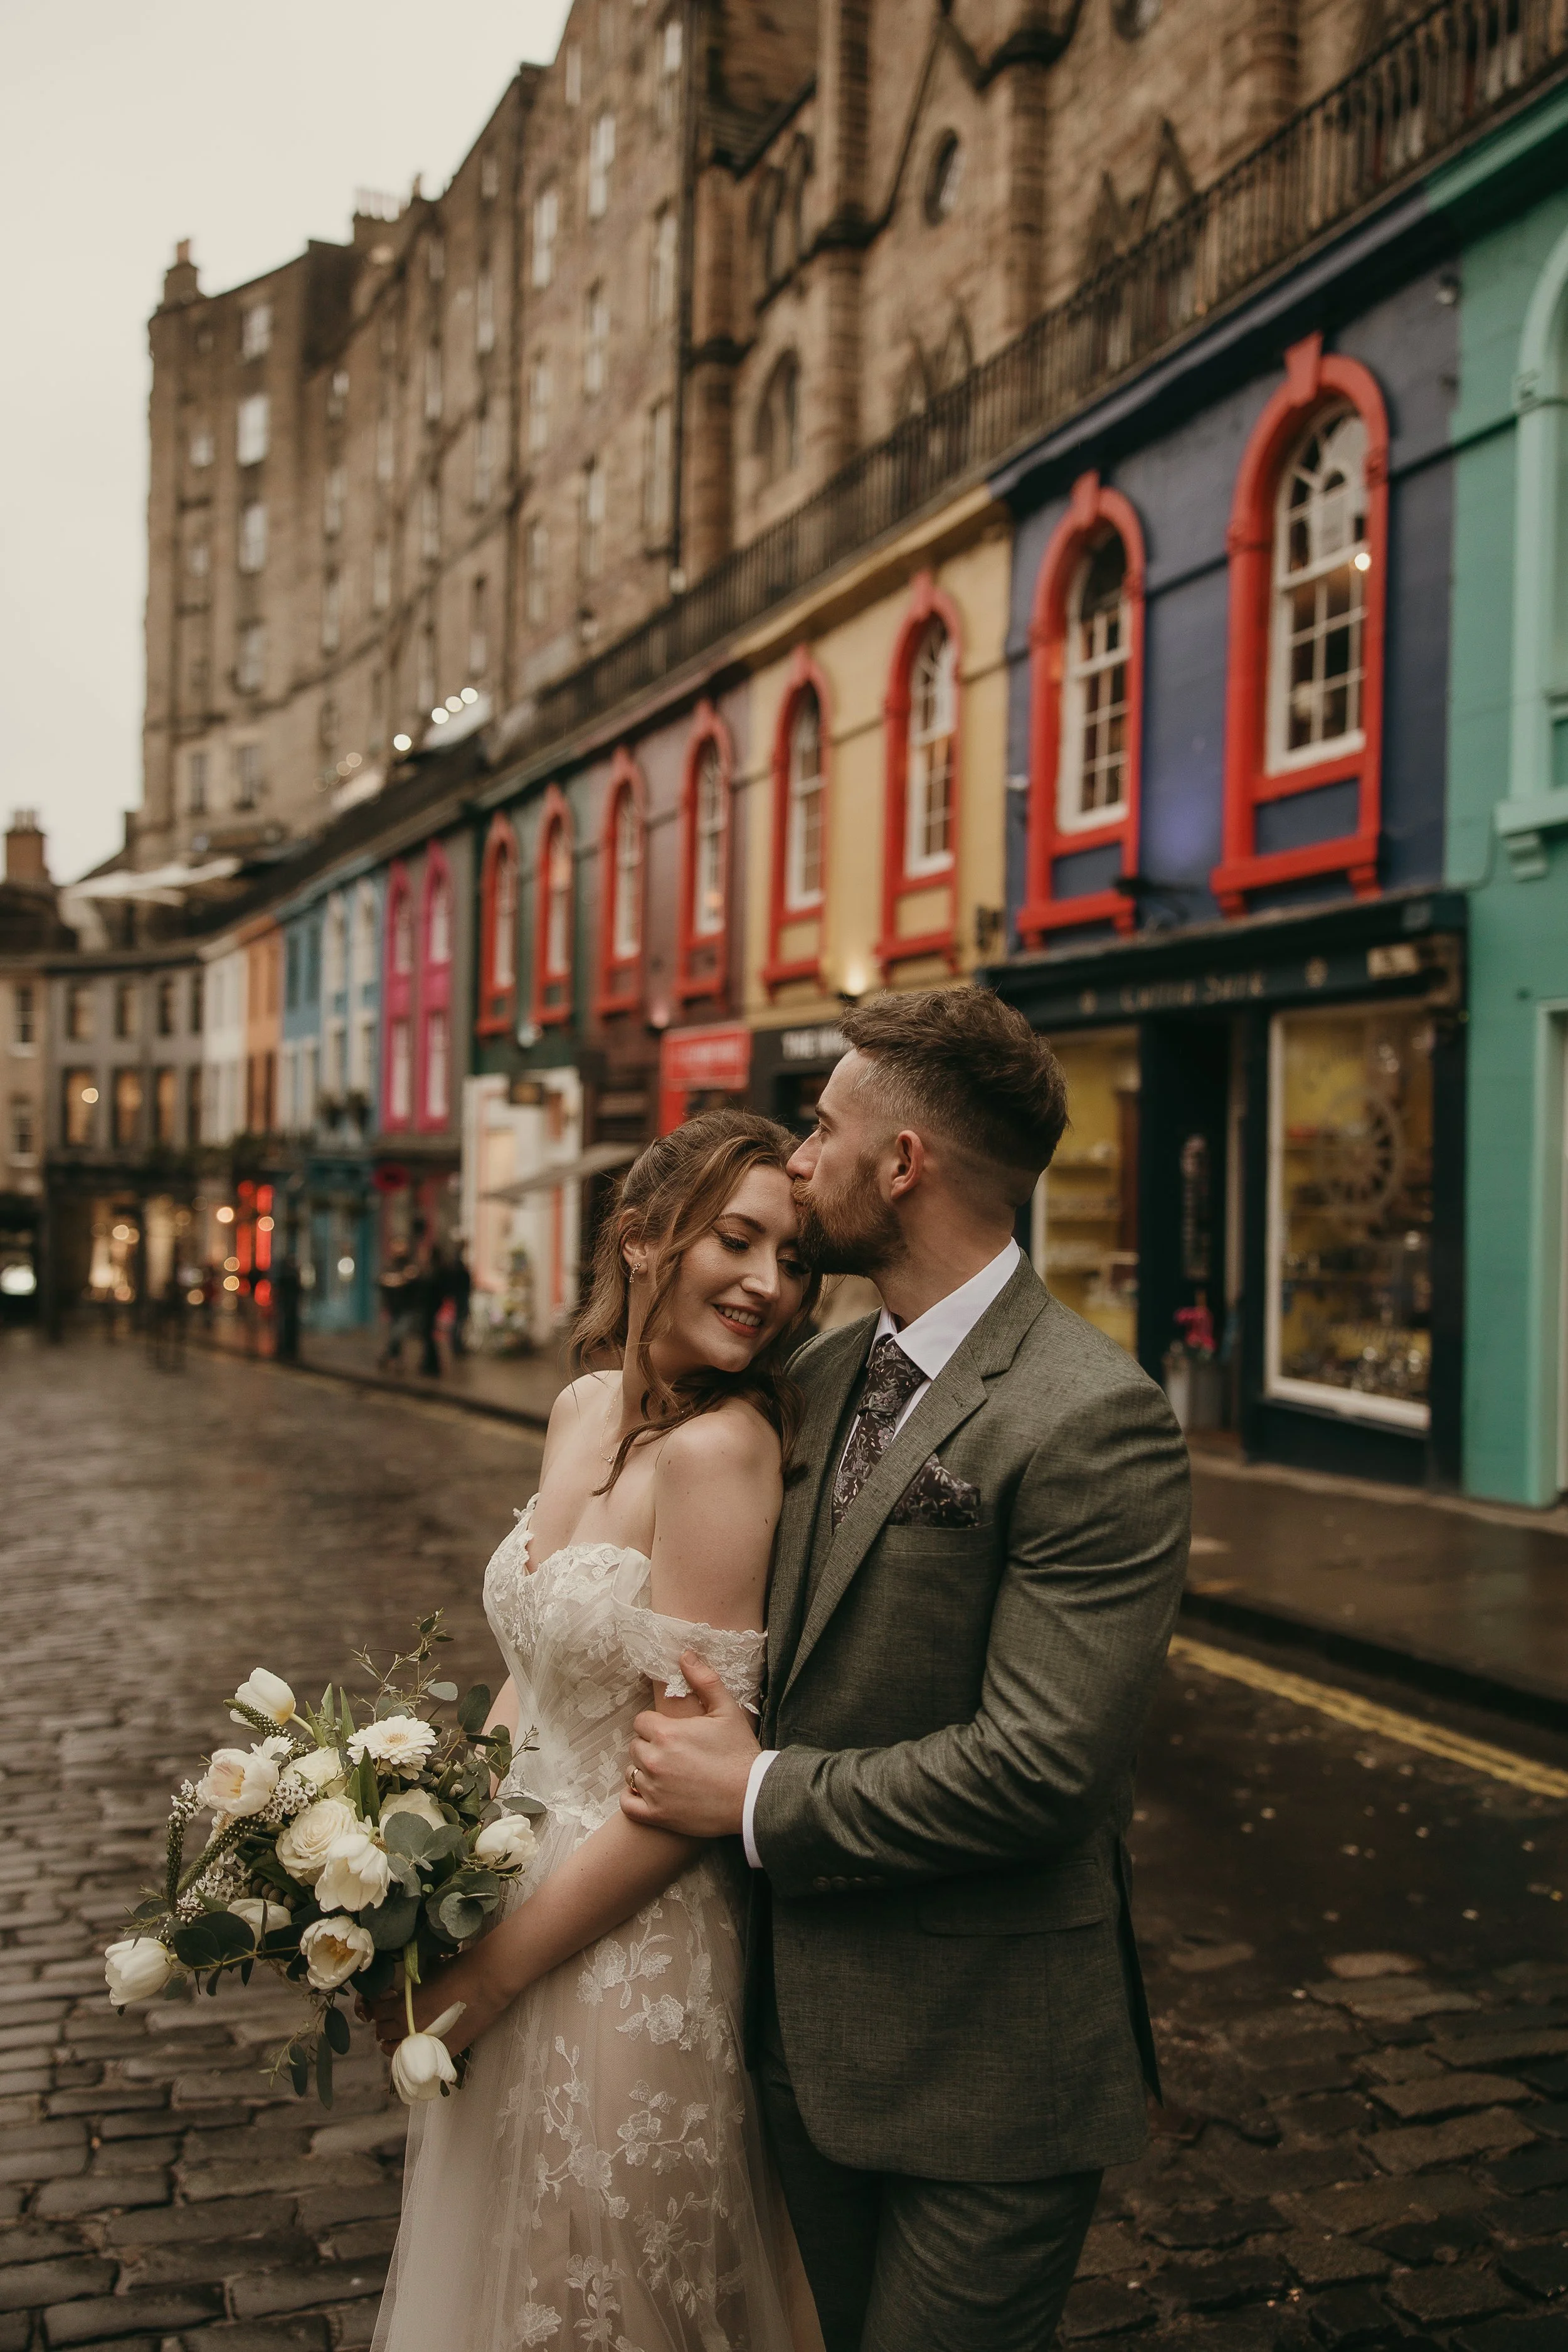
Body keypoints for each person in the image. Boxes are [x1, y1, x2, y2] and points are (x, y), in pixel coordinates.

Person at [617, 989, 1191, 2352]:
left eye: (821, 1130)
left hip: (985, 2072)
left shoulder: (1091, 1416)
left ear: (901, 1164)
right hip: (785, 2051)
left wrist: (753, 1795)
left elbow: (1039, 1770)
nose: (799, 1158)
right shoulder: (811, 1370)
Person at [369, 1110, 825, 2352]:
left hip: (624, 1952)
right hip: (509, 1893)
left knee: (608, 2298)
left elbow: (684, 1785)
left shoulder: (723, 1454)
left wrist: (496, 1974)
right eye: (737, 1240)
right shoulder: (578, 1408)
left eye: (791, 1259)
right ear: (640, 1239)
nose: (767, 1285)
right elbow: (535, 1668)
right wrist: (421, 1855)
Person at [375, 1240, 416, 1372]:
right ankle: (399, 1361)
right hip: (394, 1306)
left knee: (398, 1333)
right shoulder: (390, 1265)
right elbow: (381, 1280)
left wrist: (396, 1280)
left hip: (407, 1307)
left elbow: (411, 1279)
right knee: (396, 1334)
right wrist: (398, 1279)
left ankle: (386, 1355)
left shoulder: (409, 1265)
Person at [273, 1253, 302, 1364]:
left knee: (288, 1328)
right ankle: (287, 1349)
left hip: (289, 1307)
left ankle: (288, 1349)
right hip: (288, 1307)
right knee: (285, 1327)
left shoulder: (286, 1274)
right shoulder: (290, 1274)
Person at [446, 1237, 472, 1357]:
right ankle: (457, 1345)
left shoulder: (458, 1260)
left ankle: (458, 1344)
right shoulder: (457, 1262)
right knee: (459, 1320)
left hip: (461, 1293)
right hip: (461, 1294)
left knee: (459, 1320)